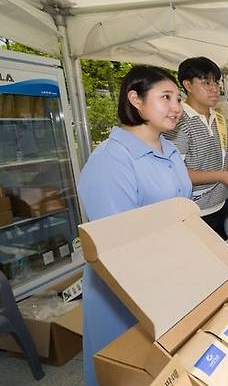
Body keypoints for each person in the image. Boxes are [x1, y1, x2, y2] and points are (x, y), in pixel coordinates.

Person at [77, 65, 193, 386]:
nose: (176, 107)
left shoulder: (169, 150)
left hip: (170, 277)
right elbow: (117, 248)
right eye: (165, 97)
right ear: (135, 99)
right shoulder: (111, 161)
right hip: (125, 291)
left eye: (178, 99)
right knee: (126, 369)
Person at [165, 57, 228, 239]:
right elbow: (176, 173)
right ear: (187, 85)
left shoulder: (221, 121)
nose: (215, 88)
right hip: (192, 213)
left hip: (221, 205)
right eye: (206, 83)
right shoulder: (177, 122)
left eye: (216, 82)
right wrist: (223, 175)